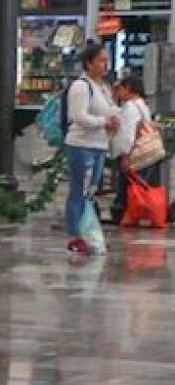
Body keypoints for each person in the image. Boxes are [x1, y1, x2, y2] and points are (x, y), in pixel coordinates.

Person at [62, 41, 121, 254]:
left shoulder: (103, 88)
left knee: (90, 191)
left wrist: (115, 120)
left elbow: (110, 110)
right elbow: (78, 116)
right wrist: (103, 122)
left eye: (107, 61)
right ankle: (75, 234)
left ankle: (88, 231)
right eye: (101, 61)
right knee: (79, 190)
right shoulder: (81, 86)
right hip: (82, 145)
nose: (106, 65)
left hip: (99, 145)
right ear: (89, 63)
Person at [110, 77, 160, 223]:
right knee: (135, 187)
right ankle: (132, 215)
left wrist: (126, 155)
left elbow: (128, 133)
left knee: (127, 188)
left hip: (133, 155)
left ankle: (127, 215)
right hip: (144, 155)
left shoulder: (131, 107)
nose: (118, 93)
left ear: (128, 88)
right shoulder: (142, 105)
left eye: (120, 89)